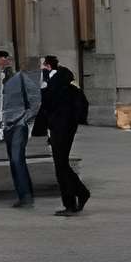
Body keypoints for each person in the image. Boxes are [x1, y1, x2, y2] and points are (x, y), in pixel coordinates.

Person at [36, 55, 91, 216]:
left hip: (63, 128)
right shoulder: (64, 78)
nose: (40, 68)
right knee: (62, 164)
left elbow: (47, 103)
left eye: (42, 66)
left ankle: (72, 203)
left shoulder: (56, 80)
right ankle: (80, 194)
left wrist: (44, 83)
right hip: (60, 127)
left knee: (61, 166)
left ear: (47, 66)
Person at [0, 49, 42, 208]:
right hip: (7, 126)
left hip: (19, 125)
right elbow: (0, 105)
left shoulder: (21, 78)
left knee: (16, 159)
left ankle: (26, 196)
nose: (3, 64)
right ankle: (25, 195)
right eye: (0, 61)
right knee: (15, 162)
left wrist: (26, 117)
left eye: (5, 60)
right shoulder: (0, 82)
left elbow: (36, 99)